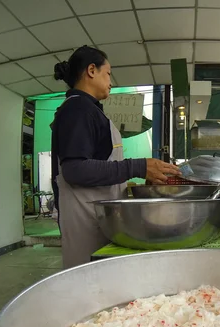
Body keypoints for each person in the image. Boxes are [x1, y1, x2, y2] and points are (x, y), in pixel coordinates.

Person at [51, 45, 180, 269]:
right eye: (108, 73)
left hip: (98, 218)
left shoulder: (91, 110)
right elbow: (75, 170)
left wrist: (129, 181)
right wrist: (137, 167)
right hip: (85, 223)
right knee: (87, 283)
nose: (111, 81)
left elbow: (99, 165)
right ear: (92, 70)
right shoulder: (77, 110)